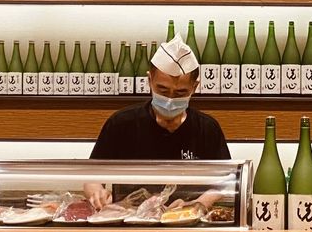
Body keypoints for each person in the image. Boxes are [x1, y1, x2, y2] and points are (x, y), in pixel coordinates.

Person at [84, 35, 230, 211]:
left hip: (186, 218)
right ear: (149, 80)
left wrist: (199, 203)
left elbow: (226, 180)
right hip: (128, 218)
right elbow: (91, 176)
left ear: (195, 87)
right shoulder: (121, 123)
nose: (170, 99)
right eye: (163, 90)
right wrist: (97, 193)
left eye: (180, 93)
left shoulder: (207, 128)